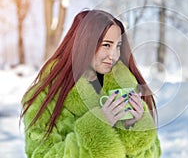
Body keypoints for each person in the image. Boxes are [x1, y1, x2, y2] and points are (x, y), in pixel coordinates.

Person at [21, 9, 161, 158]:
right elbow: (41, 154)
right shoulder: (44, 96)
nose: (113, 55)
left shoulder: (126, 87)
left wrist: (134, 128)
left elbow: (155, 153)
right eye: (106, 45)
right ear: (83, 43)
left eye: (118, 46)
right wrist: (97, 129)